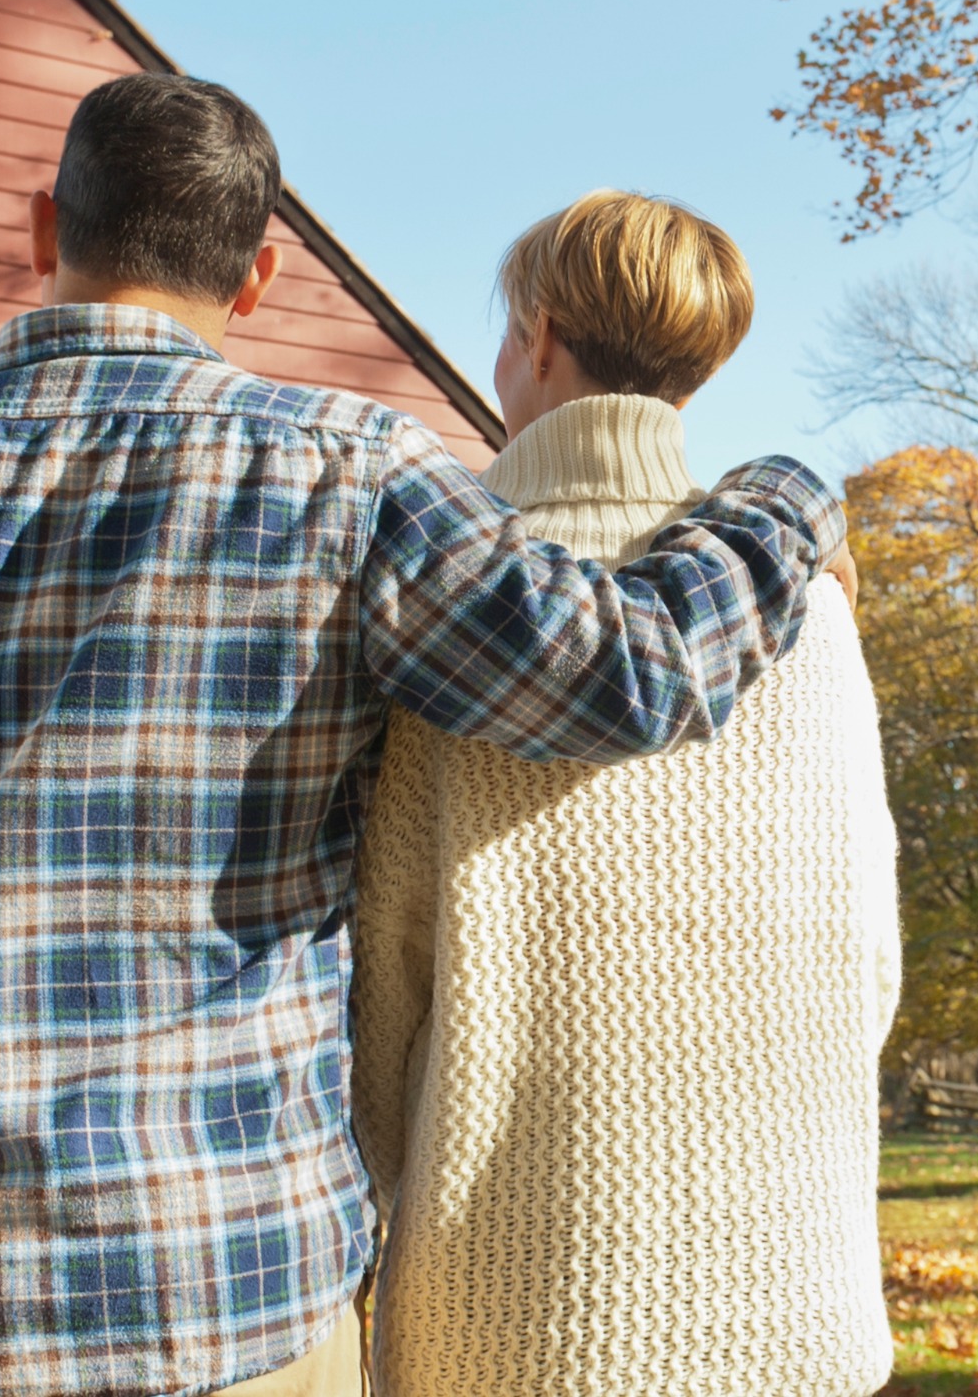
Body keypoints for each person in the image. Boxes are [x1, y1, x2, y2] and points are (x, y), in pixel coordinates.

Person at [0, 80, 848, 1397]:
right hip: (226, 1292)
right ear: (260, 277)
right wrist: (790, 497)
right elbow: (641, 671)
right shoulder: (349, 475)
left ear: (41, 230)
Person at [352, 190, 900, 1397]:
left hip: (516, 1312)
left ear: (539, 337)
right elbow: (870, 963)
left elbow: (377, 1013)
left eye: (505, 334)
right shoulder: (809, 609)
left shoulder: (457, 612)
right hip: (798, 1300)